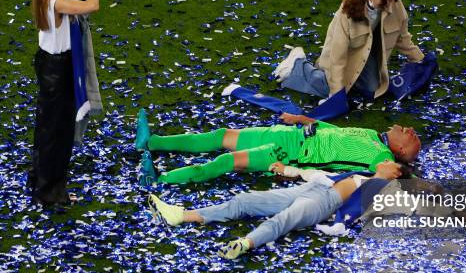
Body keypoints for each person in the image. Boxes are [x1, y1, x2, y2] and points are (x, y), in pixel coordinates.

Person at [148, 160, 409, 259]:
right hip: (312, 190)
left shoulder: (385, 188)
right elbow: (322, 175)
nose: (384, 161)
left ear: (395, 172)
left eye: (390, 162)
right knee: (246, 200)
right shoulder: (363, 173)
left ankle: (244, 244)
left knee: (282, 221)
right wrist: (291, 171)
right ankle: (180, 216)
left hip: (323, 204)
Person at [135, 109, 421, 185]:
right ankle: (153, 142)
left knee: (228, 160)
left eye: (412, 137)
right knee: (222, 134)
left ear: (402, 152)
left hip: (291, 153)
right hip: (290, 134)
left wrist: (412, 180)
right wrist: (301, 119)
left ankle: (161, 179)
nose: (410, 129)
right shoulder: (371, 134)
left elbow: (389, 173)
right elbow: (330, 129)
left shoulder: (381, 156)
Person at [273, 0, 424, 101]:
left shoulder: (395, 3)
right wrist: (336, 94)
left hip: (369, 53)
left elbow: (402, 37)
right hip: (341, 54)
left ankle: (352, 79)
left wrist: (420, 60)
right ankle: (297, 65)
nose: (390, 3)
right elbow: (338, 56)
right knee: (329, 87)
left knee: (372, 90)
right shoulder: (348, 11)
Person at [28, 0, 99, 206]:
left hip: (48, 66)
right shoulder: (57, 1)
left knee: (47, 129)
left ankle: (40, 180)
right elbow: (93, 5)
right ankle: (50, 192)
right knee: (59, 133)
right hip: (59, 72)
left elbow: (64, 0)